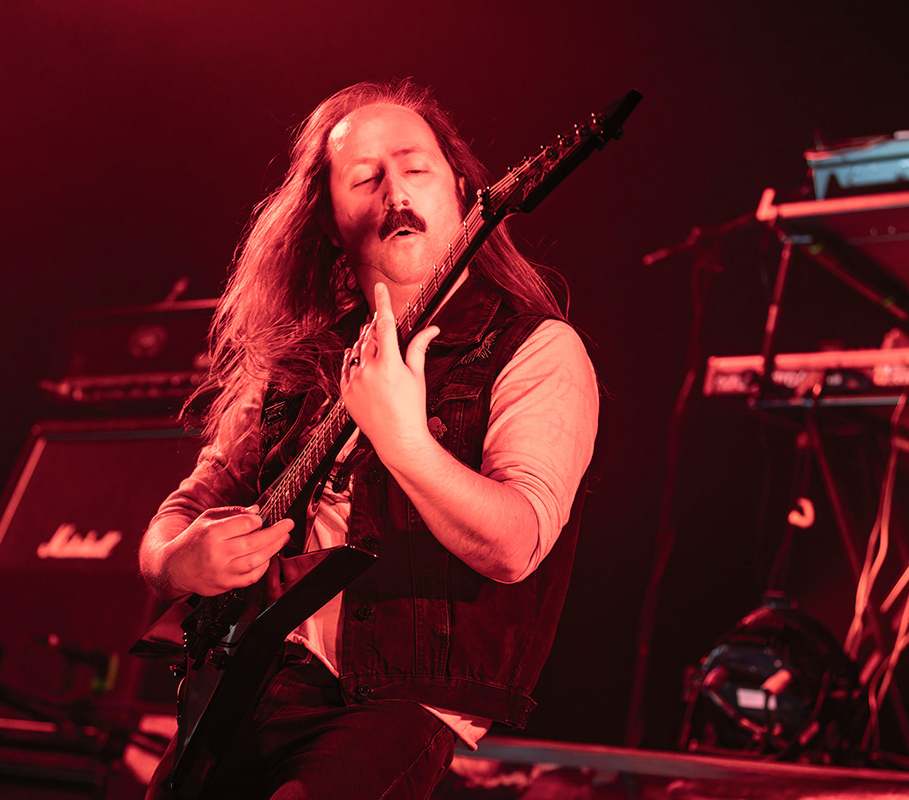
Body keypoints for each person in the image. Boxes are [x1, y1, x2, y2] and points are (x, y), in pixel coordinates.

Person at [138, 79, 598, 800]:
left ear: (464, 192)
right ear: (329, 220)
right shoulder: (297, 360)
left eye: (415, 168)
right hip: (238, 687)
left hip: (388, 705)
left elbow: (516, 544)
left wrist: (404, 442)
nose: (395, 191)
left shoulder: (536, 349)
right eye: (364, 177)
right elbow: (185, 507)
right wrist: (173, 563)